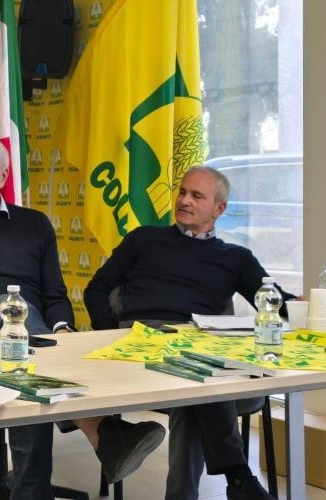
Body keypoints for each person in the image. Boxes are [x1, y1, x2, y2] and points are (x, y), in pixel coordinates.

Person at [0, 135, 166, 499]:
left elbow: (54, 296)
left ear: (3, 176)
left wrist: (62, 329)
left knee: (21, 347)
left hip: (26, 345)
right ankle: (98, 433)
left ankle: (36, 486)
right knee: (9, 308)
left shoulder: (35, 225)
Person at [84, 165, 294, 500]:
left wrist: (310, 306)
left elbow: (276, 302)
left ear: (219, 208)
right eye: (182, 192)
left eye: (196, 196)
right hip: (141, 341)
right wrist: (110, 336)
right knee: (201, 378)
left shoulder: (236, 258)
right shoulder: (143, 239)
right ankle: (239, 478)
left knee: (193, 390)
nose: (184, 201)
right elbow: (97, 289)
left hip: (198, 349)